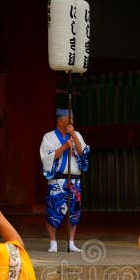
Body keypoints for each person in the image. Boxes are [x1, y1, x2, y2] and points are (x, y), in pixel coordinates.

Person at [40, 108, 90, 253]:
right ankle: (53, 242)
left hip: (74, 181)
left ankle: (71, 242)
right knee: (53, 209)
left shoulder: (77, 135)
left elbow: (83, 153)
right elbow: (46, 158)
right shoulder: (48, 137)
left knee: (74, 210)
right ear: (60, 120)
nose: (72, 123)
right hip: (57, 181)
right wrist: (64, 147)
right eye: (69, 120)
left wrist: (73, 135)